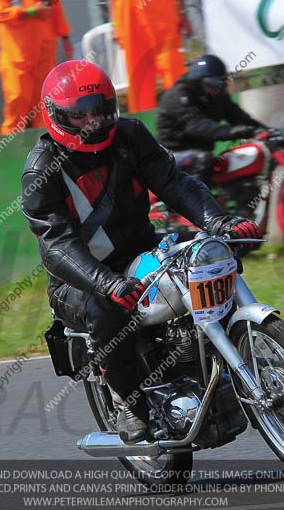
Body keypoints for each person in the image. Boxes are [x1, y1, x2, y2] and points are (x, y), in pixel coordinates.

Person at [21, 61, 262, 443]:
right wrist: (106, 283)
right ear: (56, 116)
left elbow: (173, 181)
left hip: (142, 257)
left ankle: (226, 363)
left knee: (207, 262)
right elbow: (55, 244)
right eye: (78, 115)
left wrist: (220, 224)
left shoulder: (130, 134)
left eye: (98, 110)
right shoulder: (42, 169)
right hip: (80, 282)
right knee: (104, 308)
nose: (91, 123)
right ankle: (128, 402)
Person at [157, 54, 267, 182]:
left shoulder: (217, 95)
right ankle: (194, 200)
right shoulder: (179, 94)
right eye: (213, 85)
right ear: (200, 82)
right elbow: (196, 125)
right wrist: (230, 131)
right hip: (171, 155)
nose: (217, 89)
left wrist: (266, 131)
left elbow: (240, 117)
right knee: (203, 159)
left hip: (202, 151)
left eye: (220, 84)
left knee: (240, 158)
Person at [0, 0, 73, 134]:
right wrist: (31, 12)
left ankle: (44, 146)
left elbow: (55, 6)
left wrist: (65, 36)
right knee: (17, 99)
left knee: (44, 101)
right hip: (16, 54)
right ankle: (10, 148)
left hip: (44, 49)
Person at [110, 0, 191, 113]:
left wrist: (183, 11)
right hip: (127, 11)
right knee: (139, 83)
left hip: (160, 9)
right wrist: (113, 23)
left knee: (173, 72)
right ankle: (144, 128)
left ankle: (186, 122)